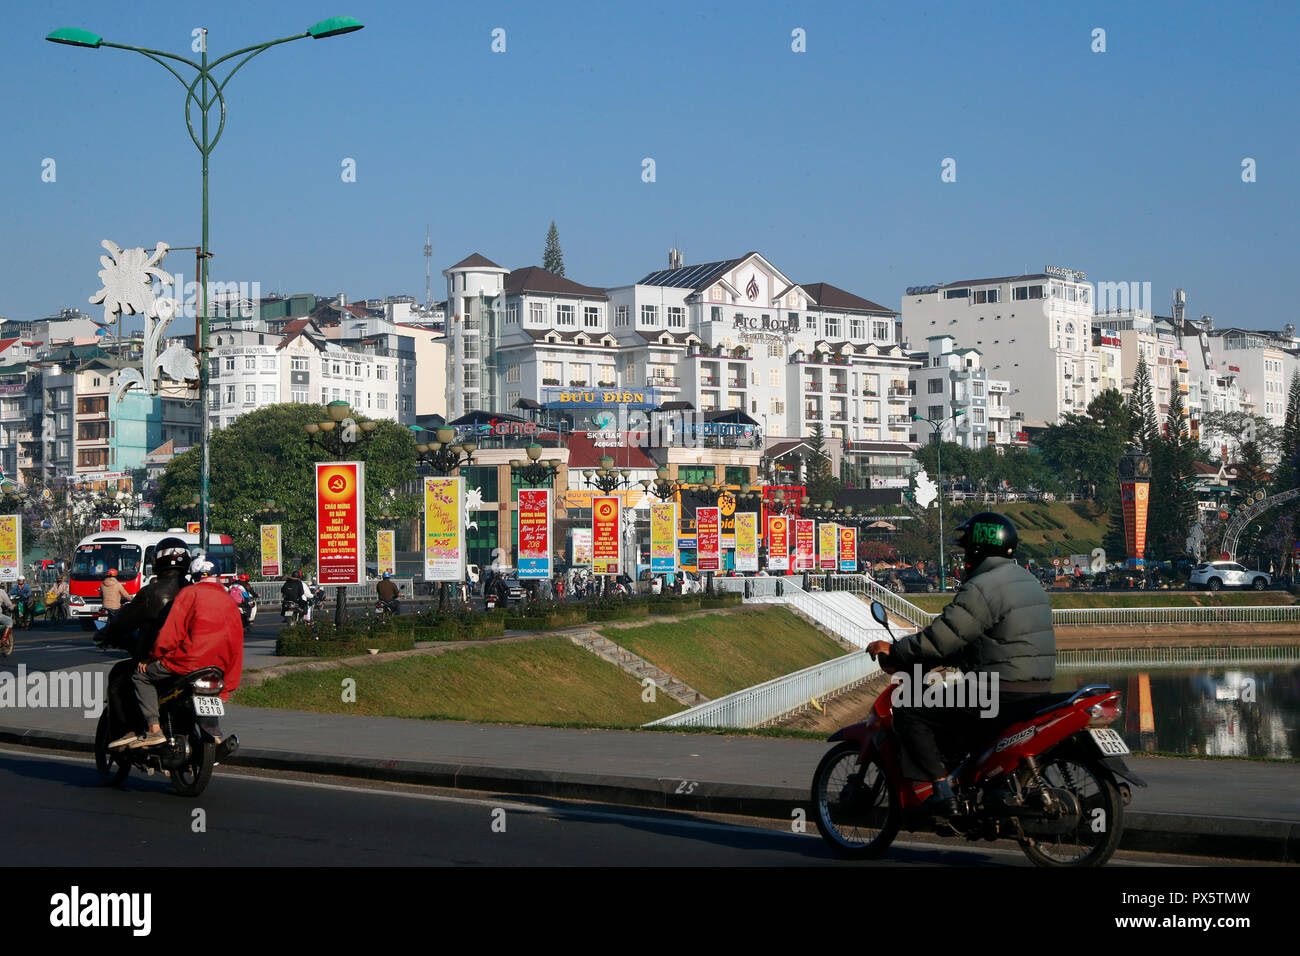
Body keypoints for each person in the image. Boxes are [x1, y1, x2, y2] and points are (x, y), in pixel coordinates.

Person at [865, 512, 1054, 819]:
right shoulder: (1027, 580)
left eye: (966, 550)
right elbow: (981, 641)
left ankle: (942, 793)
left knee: (911, 709)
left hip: (999, 689)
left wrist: (897, 652)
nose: (964, 557)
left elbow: (943, 637)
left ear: (978, 549)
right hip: (1036, 687)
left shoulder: (983, 586)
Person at [114, 554, 243, 750]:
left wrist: (152, 658)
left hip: (187, 662)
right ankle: (213, 734)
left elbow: (171, 634)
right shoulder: (230, 601)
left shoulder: (189, 593)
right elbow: (236, 646)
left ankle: (154, 729)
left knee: (141, 677)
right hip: (218, 668)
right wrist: (229, 684)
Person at [100, 538, 192, 741]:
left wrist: (106, 634)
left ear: (157, 562)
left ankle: (130, 731)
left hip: (160, 658)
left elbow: (124, 621)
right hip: (196, 657)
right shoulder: (194, 591)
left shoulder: (152, 593)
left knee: (123, 676)